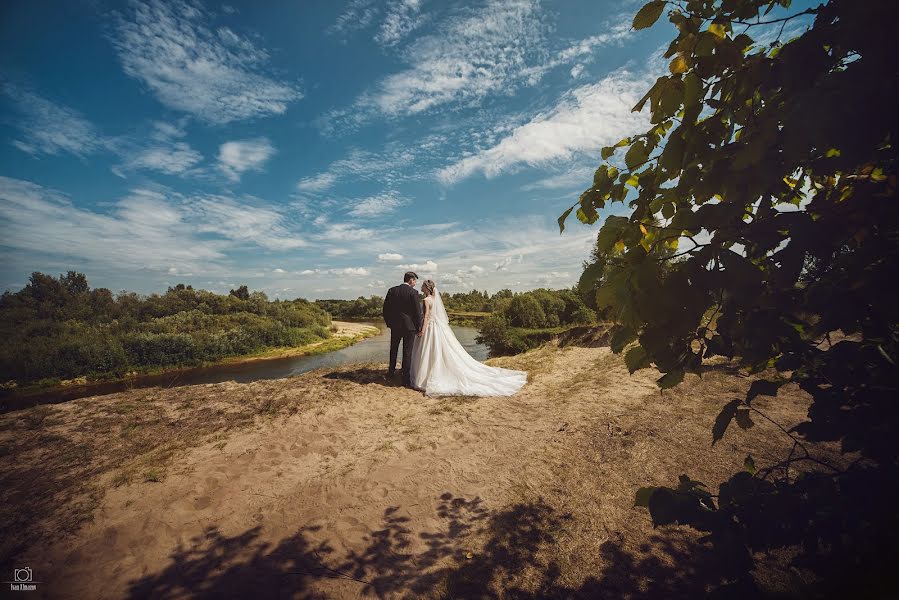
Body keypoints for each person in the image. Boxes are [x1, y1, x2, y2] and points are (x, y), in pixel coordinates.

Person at [410, 279, 527, 396]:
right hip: (438, 328)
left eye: (423, 286)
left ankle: (426, 376)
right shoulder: (435, 300)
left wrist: (422, 330)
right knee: (439, 352)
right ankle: (436, 371)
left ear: (427, 288)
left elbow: (425, 317)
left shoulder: (426, 300)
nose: (421, 287)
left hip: (430, 327)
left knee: (428, 351)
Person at [382, 271, 423, 387]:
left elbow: (385, 309)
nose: (415, 283)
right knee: (407, 352)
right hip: (409, 327)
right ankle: (405, 379)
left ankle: (391, 372)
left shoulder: (392, 290)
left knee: (393, 349)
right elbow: (417, 312)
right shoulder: (413, 292)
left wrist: (389, 323)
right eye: (415, 280)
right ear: (410, 279)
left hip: (395, 325)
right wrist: (419, 326)